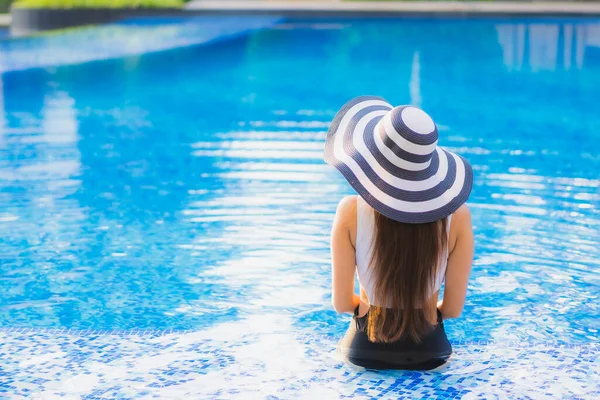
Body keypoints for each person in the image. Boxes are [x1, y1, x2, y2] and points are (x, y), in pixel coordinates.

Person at [324, 96, 474, 370]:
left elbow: (342, 303)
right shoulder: (458, 217)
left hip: (364, 348)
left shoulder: (349, 211)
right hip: (430, 351)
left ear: (373, 155)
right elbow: (452, 309)